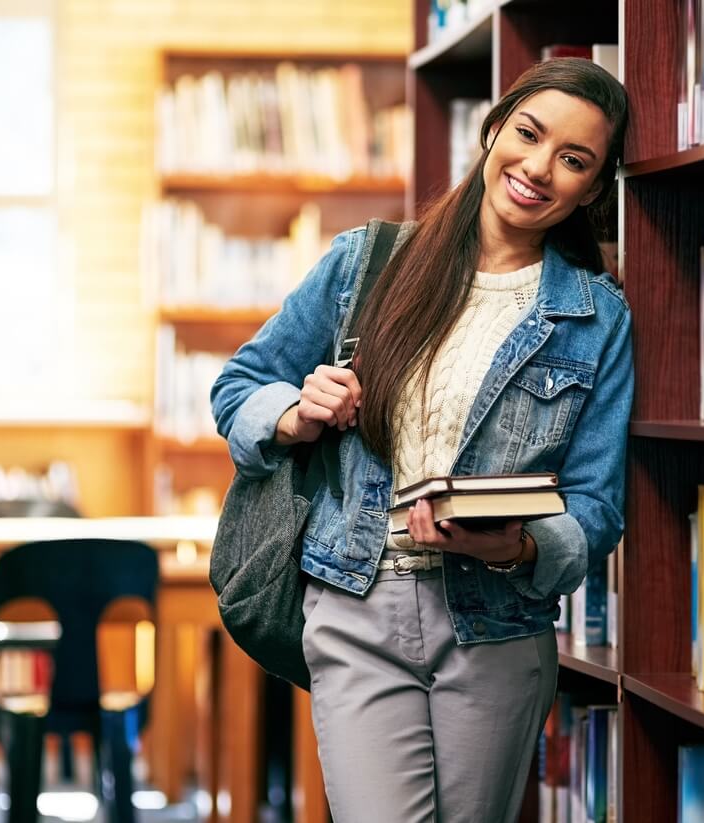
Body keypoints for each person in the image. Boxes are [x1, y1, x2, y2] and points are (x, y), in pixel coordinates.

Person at [211, 58, 632, 823]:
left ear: (593, 190)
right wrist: (298, 411)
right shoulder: (366, 263)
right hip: (355, 600)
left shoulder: (599, 318)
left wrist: (515, 545)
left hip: (498, 621)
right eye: (529, 134)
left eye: (573, 160)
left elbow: (598, 507)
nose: (538, 168)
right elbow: (238, 387)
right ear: (494, 127)